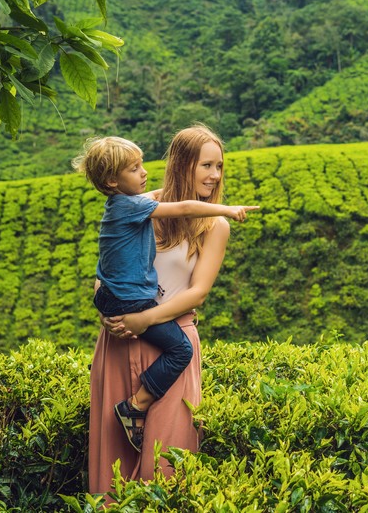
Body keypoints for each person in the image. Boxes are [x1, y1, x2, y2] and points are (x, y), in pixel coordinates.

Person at [89, 125, 247, 493]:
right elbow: (106, 270)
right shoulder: (141, 208)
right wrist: (108, 314)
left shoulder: (214, 224)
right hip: (119, 342)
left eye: (219, 166)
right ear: (181, 165)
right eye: (206, 165)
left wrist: (144, 319)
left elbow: (197, 293)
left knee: (166, 470)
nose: (215, 175)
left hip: (168, 340)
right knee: (112, 473)